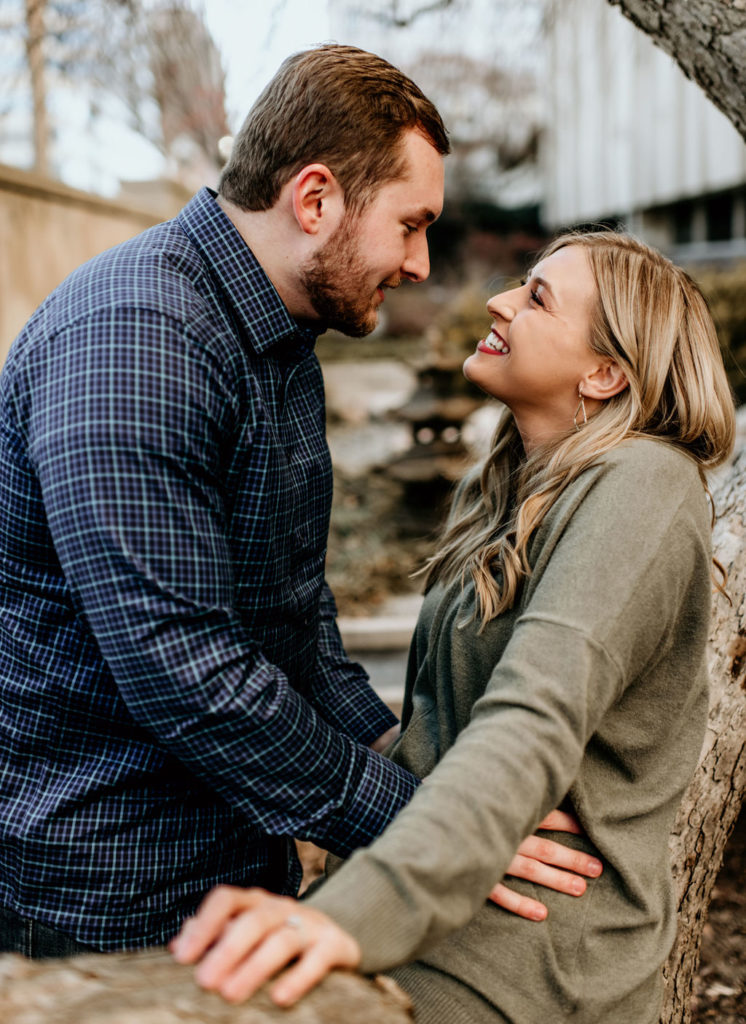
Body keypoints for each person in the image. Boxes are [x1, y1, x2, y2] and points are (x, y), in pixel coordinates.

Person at [0, 44, 592, 959]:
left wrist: (414, 763)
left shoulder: (276, 341)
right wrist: (431, 828)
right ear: (314, 200)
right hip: (104, 892)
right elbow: (185, 673)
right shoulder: (135, 342)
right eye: (410, 225)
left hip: (234, 863)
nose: (422, 265)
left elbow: (293, 619)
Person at [171, 230, 736, 1024]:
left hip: (543, 938)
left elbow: (531, 720)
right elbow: (439, 723)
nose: (500, 301)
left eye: (537, 297)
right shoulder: (501, 481)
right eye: (520, 282)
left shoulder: (645, 486)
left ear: (605, 372)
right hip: (450, 887)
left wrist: (348, 914)